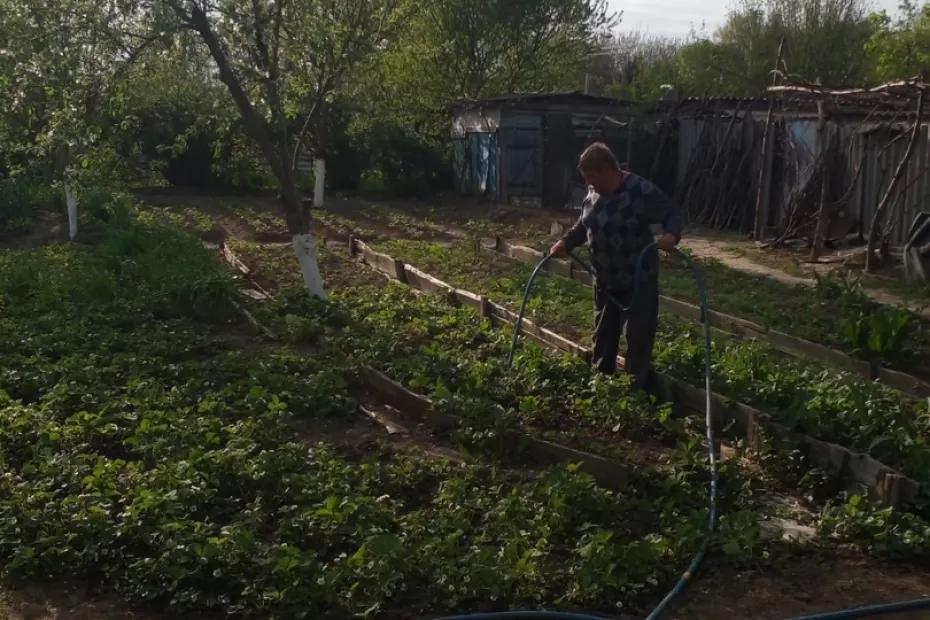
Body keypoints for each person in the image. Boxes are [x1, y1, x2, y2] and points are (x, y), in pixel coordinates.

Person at [549, 142, 683, 387]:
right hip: (604, 278)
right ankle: (601, 384)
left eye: (592, 177)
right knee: (603, 336)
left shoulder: (639, 190)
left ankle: (636, 389)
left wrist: (671, 235)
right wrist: (566, 242)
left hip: (637, 278)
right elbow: (584, 224)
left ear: (608, 169)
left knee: (638, 336)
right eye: (586, 178)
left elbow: (672, 212)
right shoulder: (592, 191)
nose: (589, 184)